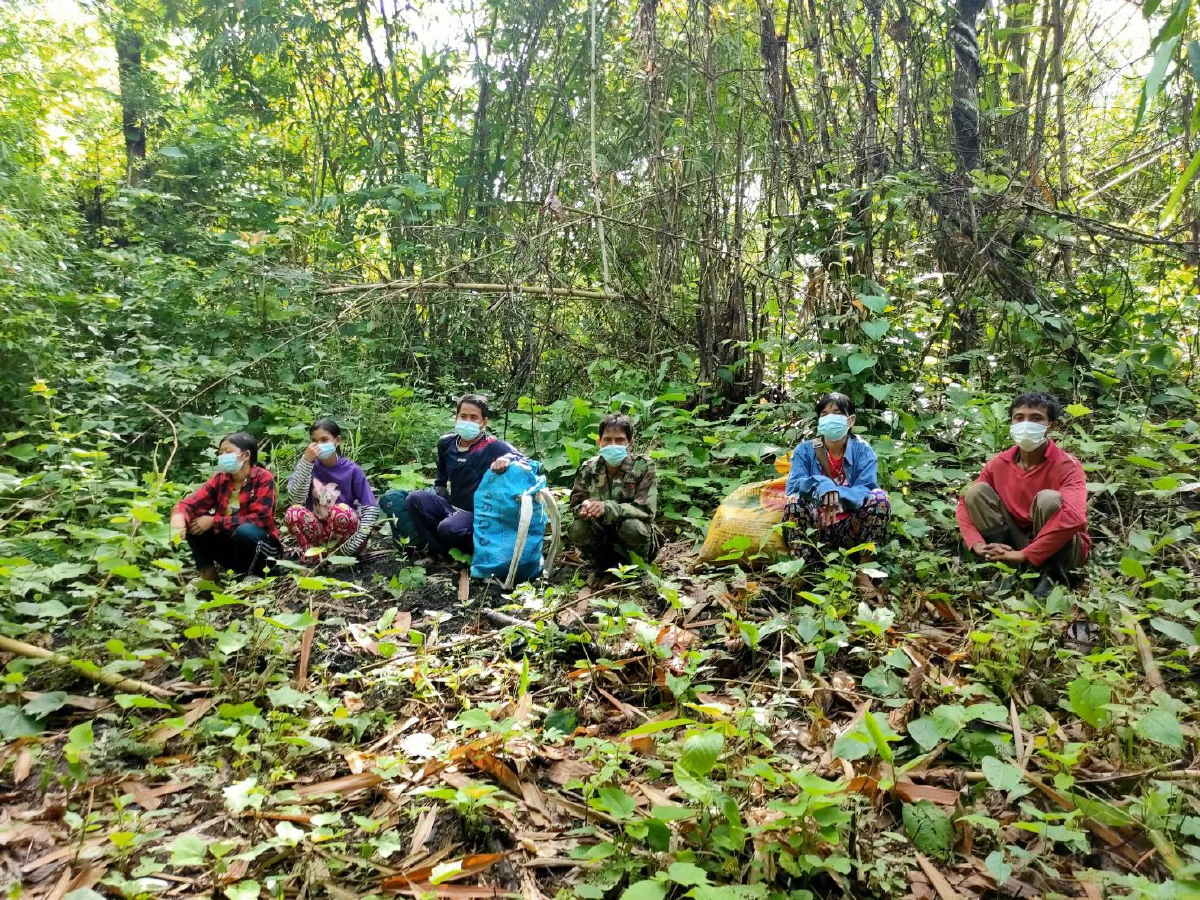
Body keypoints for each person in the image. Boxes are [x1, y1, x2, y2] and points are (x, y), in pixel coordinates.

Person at [957, 391, 1089, 597]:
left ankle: (1053, 577)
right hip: (1018, 540)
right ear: (1011, 422)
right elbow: (965, 503)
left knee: (1049, 499)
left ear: (1051, 426)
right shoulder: (998, 464)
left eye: (1036, 418)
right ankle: (1008, 570)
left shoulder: (1067, 465)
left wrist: (1025, 554)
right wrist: (977, 544)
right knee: (976, 492)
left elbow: (1074, 518)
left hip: (1065, 548)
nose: (1026, 424)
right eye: (1019, 418)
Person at [404, 394, 519, 556]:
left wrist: (506, 459)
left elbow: (524, 461)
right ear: (456, 418)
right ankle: (440, 550)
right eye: (463, 416)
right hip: (453, 506)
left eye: (474, 418)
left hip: (479, 514)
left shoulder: (493, 446)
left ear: (484, 422)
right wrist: (440, 487)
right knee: (414, 498)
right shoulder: (446, 443)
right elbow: (441, 475)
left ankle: (474, 549)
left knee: (448, 528)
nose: (468, 421)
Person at [784, 392, 891, 554]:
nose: (829, 418)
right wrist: (821, 485)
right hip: (813, 527)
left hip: (850, 526)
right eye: (824, 414)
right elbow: (793, 487)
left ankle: (865, 569)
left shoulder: (862, 450)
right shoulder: (804, 450)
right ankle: (804, 565)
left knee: (880, 499)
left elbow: (867, 488)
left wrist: (835, 493)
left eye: (837, 413)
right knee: (793, 501)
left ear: (851, 420)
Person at [170, 432, 281, 580]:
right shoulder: (221, 479)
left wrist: (214, 521)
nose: (222, 456)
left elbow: (259, 519)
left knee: (245, 531)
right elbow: (191, 504)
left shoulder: (263, 478)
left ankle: (254, 574)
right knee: (195, 520)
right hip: (232, 548)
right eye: (220, 452)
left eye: (228, 452)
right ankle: (208, 576)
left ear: (245, 455)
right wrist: (179, 516)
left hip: (262, 548)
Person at [568, 413, 660, 570]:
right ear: (599, 442)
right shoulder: (589, 469)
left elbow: (646, 510)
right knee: (578, 528)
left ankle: (637, 569)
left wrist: (607, 507)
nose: (613, 444)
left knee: (632, 527)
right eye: (607, 440)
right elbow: (575, 505)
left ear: (630, 443)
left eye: (619, 440)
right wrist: (585, 510)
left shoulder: (643, 466)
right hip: (601, 535)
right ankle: (601, 568)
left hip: (636, 537)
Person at [283, 418, 380, 559]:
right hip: (318, 532)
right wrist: (306, 462)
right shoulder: (308, 467)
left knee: (341, 510)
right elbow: (296, 499)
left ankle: (337, 557)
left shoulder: (352, 470)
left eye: (324, 440)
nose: (318, 445)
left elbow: (370, 508)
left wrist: (355, 542)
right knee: (294, 512)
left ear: (337, 440)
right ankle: (314, 557)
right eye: (314, 441)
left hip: (347, 537)